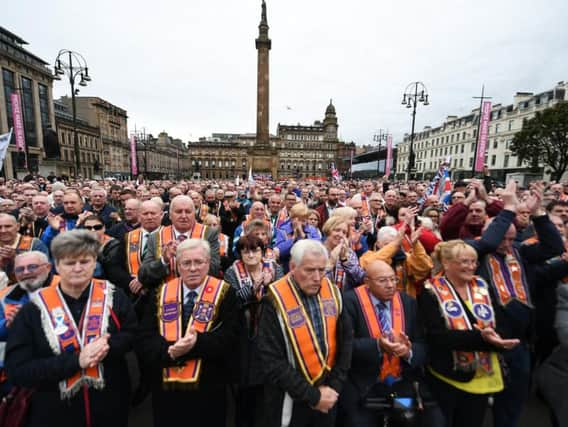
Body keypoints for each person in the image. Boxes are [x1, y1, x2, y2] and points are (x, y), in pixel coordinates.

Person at [5, 230, 137, 427]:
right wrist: (77, 360)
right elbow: (18, 369)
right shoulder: (34, 308)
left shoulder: (114, 296)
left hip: (109, 402)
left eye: (84, 261)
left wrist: (106, 347)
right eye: (69, 263)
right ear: (56, 266)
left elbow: (132, 334)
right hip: (54, 408)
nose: (77, 268)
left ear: (94, 263)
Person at [137, 239, 240, 427]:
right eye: (186, 263)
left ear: (208, 263)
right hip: (167, 390)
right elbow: (145, 338)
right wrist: (170, 352)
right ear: (177, 264)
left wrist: (196, 344)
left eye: (198, 262)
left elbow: (230, 338)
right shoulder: (160, 293)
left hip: (209, 388)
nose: (193, 268)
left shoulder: (226, 294)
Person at [419, 240, 520, 427]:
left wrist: (498, 338)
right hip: (448, 374)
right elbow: (438, 337)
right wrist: (483, 339)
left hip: (484, 373)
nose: (471, 266)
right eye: (464, 262)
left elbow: (503, 324)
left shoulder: (482, 286)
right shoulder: (430, 291)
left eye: (474, 262)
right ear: (447, 263)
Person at [257, 240, 352, 427]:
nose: (317, 277)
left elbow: (346, 342)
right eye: (309, 270)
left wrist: (333, 387)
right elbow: (271, 359)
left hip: (329, 394)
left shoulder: (333, 292)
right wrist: (312, 396)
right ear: (292, 267)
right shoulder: (274, 299)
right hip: (290, 399)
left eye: (321, 270)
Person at [339, 260, 427, 427]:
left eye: (393, 279)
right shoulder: (349, 302)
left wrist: (408, 352)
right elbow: (345, 346)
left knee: (407, 420)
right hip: (363, 385)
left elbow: (422, 344)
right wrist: (378, 346)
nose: (390, 285)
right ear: (367, 282)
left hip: (400, 384)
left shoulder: (408, 302)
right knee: (359, 422)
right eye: (382, 281)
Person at [224, 235, 284, 427]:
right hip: (244, 334)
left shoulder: (275, 269)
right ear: (240, 254)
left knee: (269, 388)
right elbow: (233, 300)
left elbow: (283, 298)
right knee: (246, 388)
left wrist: (270, 285)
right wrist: (255, 285)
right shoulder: (232, 272)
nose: (250, 255)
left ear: (262, 251)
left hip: (271, 332)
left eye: (255, 250)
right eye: (245, 251)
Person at [0, 251, 53, 396]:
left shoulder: (65, 287)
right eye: (20, 269)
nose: (26, 272)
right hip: (16, 377)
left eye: (32, 267)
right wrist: (8, 325)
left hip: (57, 369)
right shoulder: (4, 296)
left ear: (48, 267)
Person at [138, 195, 220, 288]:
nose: (183, 216)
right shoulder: (156, 237)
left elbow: (214, 269)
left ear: (194, 214)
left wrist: (190, 258)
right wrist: (164, 261)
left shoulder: (209, 234)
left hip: (201, 293)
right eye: (179, 212)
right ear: (169, 215)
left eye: (188, 212)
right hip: (164, 296)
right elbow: (143, 276)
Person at [82, 215, 132, 292]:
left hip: (111, 287)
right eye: (88, 228)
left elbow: (109, 266)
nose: (92, 230)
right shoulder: (79, 244)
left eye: (97, 227)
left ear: (104, 228)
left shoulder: (114, 245)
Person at [0, 213, 49, 285]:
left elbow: (45, 274)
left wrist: (15, 259)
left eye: (8, 226)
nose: (3, 231)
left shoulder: (35, 244)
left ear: (18, 227)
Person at [322, 216, 365, 291]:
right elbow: (314, 278)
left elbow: (360, 278)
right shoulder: (317, 250)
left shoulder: (349, 252)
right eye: (337, 230)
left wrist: (345, 260)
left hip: (344, 296)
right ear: (328, 230)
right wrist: (331, 262)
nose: (341, 235)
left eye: (344, 232)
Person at [275, 203, 322, 272]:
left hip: (308, 267)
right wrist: (293, 238)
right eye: (299, 220)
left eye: (304, 220)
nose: (301, 223)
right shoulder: (283, 230)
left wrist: (303, 236)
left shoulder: (312, 230)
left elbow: (317, 249)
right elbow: (279, 251)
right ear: (292, 219)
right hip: (287, 269)